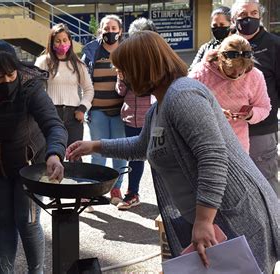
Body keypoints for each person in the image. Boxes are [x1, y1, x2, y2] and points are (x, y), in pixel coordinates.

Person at [66, 31, 280, 273]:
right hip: (214, 221)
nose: (120, 76)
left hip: (234, 219)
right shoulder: (159, 107)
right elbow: (142, 146)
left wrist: (203, 220)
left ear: (143, 67)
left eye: (123, 69)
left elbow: (213, 157)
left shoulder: (183, 96)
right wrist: (94, 145)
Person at [0, 40, 67, 274]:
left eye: (11, 74)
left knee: (27, 222)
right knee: (5, 222)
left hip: (30, 166)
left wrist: (55, 153)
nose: (7, 81)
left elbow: (54, 125)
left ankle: (35, 272)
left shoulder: (30, 86)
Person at [231, 0, 280, 198]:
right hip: (231, 130)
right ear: (234, 19)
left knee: (266, 183)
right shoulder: (228, 44)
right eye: (243, 14)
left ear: (260, 16)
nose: (248, 18)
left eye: (253, 13)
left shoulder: (274, 45)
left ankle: (275, 226)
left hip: (261, 131)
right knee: (239, 185)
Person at [189, 34, 270, 153]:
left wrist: (251, 114)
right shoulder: (200, 73)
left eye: (241, 71)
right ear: (220, 58)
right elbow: (186, 107)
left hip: (239, 145)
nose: (236, 75)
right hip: (205, 143)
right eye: (231, 70)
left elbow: (264, 107)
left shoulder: (255, 75)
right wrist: (213, 112)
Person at [81, 14, 127, 206]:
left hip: (121, 111)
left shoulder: (126, 51)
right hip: (97, 110)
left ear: (120, 31)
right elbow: (83, 81)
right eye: (106, 28)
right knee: (98, 153)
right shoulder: (92, 51)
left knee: (120, 153)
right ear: (100, 30)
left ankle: (116, 190)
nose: (110, 32)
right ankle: (94, 190)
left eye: (113, 28)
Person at [114, 17, 157, 210]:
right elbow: (121, 92)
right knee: (135, 158)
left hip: (155, 117)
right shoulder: (126, 61)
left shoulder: (159, 59)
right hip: (131, 117)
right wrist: (122, 78)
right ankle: (132, 193)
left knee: (160, 159)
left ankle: (170, 200)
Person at [35, 23, 94, 152]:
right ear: (52, 43)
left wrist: (82, 108)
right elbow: (35, 88)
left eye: (65, 40)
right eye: (58, 41)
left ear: (70, 41)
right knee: (50, 153)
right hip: (50, 113)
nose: (62, 44)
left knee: (74, 155)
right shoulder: (43, 62)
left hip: (74, 116)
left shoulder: (79, 64)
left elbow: (89, 89)